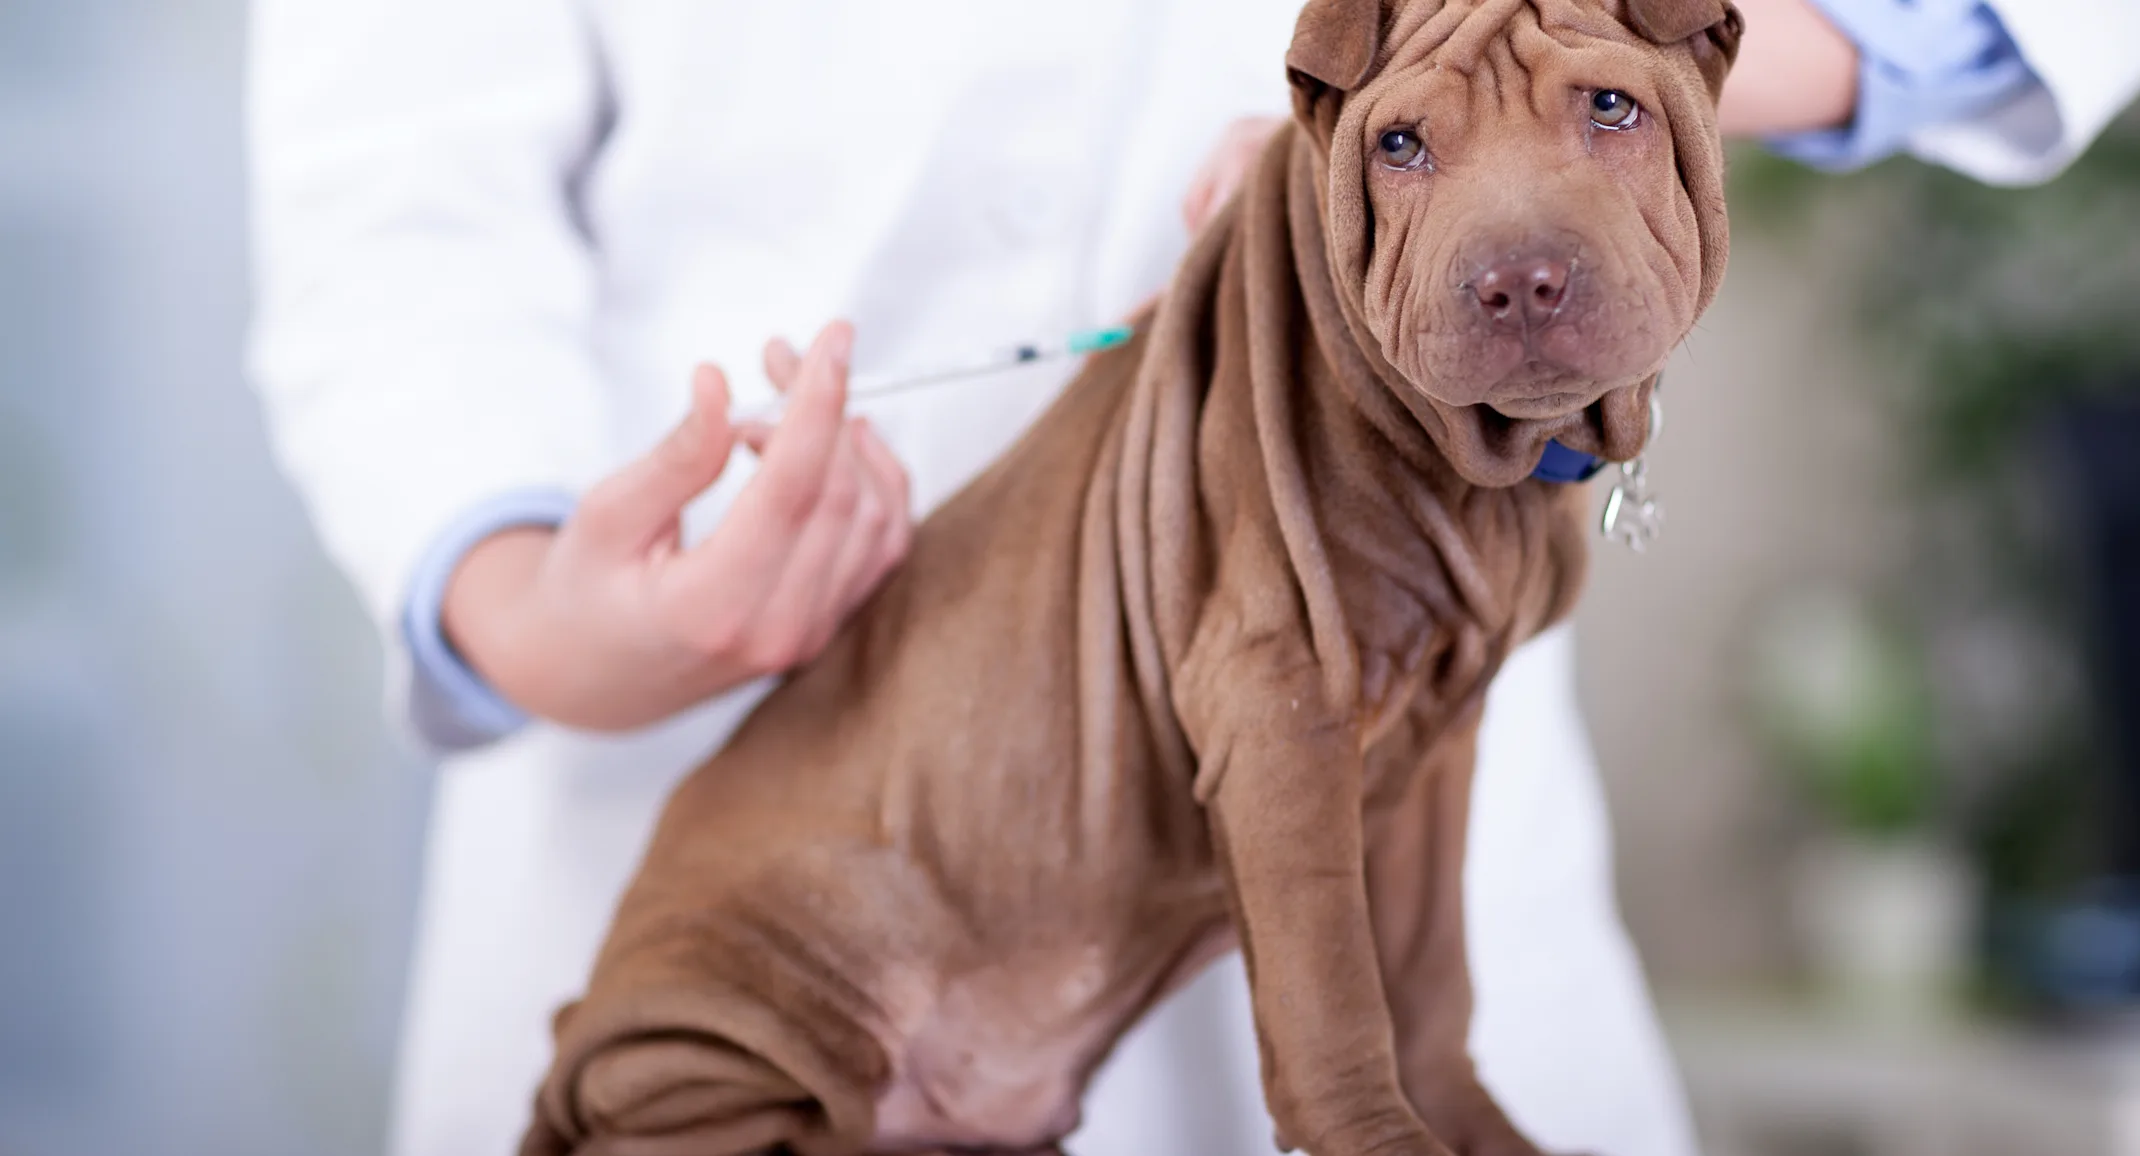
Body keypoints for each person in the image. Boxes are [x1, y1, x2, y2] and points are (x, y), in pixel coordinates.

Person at [246, 2, 2140, 1153]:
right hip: (737, 831)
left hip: (1414, 644)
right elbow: (392, 217)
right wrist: (525, 604)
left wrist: (1541, 70)